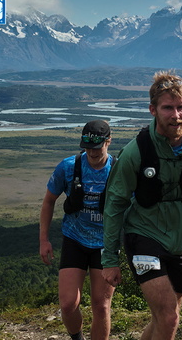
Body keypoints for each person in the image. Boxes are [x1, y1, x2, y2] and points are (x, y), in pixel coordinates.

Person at [102, 71, 182, 340]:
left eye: (181, 107)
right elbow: (115, 204)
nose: (176, 115)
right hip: (144, 236)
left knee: (164, 319)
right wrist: (110, 259)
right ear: (153, 110)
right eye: (167, 108)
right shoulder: (136, 152)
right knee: (170, 317)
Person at [39, 120, 116, 340]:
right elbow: (48, 202)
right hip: (75, 239)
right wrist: (44, 240)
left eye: (97, 147)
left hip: (106, 244)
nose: (91, 152)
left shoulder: (119, 170)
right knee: (67, 303)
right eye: (87, 147)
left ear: (108, 142)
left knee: (101, 307)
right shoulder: (68, 167)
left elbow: (133, 208)